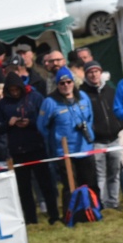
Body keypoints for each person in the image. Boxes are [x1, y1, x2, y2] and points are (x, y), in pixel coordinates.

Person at [0, 71, 54, 224]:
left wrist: (30, 122)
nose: (14, 92)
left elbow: (45, 118)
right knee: (24, 188)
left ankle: (54, 215)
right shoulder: (3, 104)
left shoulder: (35, 97)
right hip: (17, 150)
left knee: (46, 184)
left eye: (16, 89)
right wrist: (9, 123)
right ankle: (31, 219)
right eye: (11, 90)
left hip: (37, 147)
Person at [38, 68, 98, 215]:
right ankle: (71, 214)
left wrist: (88, 132)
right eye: (62, 83)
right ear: (57, 85)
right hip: (64, 151)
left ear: (73, 82)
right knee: (70, 185)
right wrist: (55, 139)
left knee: (90, 181)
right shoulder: (50, 102)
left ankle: (94, 210)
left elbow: (90, 117)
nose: (66, 85)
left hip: (84, 147)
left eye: (68, 82)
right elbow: (41, 125)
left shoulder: (83, 96)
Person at [80, 60, 123, 210]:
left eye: (96, 71)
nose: (94, 75)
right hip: (97, 141)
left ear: (100, 72)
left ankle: (114, 203)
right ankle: (102, 204)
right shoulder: (83, 94)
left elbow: (117, 108)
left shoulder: (110, 91)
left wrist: (119, 124)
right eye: (90, 72)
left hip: (114, 138)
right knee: (100, 175)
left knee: (115, 173)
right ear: (86, 75)